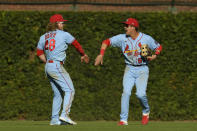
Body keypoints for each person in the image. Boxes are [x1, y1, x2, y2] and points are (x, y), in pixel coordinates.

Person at [94, 18, 162, 125]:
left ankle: (146, 111)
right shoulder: (122, 38)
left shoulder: (146, 38)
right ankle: (123, 119)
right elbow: (106, 41)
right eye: (125, 25)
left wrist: (155, 56)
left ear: (133, 27)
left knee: (140, 94)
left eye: (127, 25)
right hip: (129, 68)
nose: (125, 27)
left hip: (142, 69)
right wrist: (101, 54)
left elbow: (158, 46)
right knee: (126, 92)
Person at [36, 14, 89, 125]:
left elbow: (39, 52)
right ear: (56, 24)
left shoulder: (43, 36)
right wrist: (83, 54)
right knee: (70, 90)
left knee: (58, 93)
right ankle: (65, 115)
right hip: (56, 65)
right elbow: (76, 44)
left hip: (48, 66)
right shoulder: (64, 34)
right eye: (61, 22)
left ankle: (54, 120)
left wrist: (47, 63)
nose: (63, 24)